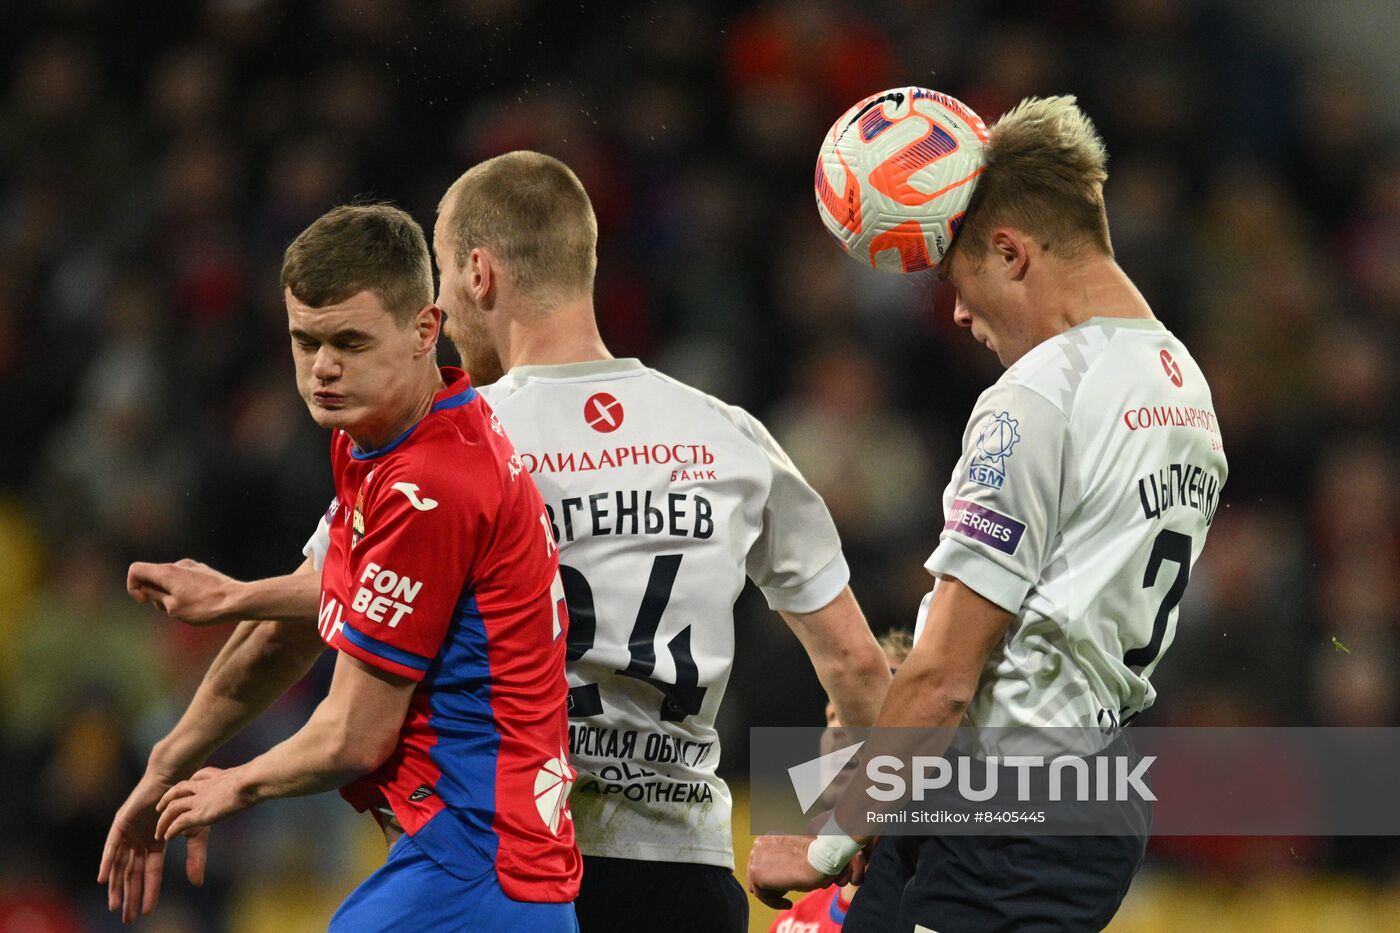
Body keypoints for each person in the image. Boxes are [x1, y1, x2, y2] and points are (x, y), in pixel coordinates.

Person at [109, 153, 890, 932]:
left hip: (513, 857)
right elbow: (856, 663)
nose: (440, 311)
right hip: (688, 878)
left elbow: (299, 624)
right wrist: (858, 831)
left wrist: (169, 761)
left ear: (478, 275)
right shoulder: (733, 437)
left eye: (442, 281)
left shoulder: (458, 441)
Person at [748, 95, 1229, 932]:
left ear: (1010, 253)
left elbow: (941, 677)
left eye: (958, 282)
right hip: (1085, 790)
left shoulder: (1038, 394)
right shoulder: (1182, 381)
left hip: (1011, 810)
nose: (960, 315)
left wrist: (827, 840)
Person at [102, 204, 581, 930]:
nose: (323, 368)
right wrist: (168, 758)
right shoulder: (386, 435)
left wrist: (231, 785)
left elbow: (354, 733)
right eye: (306, 341)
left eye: (349, 342)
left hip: (477, 869)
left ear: (426, 329)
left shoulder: (431, 485)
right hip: (479, 866)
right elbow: (301, 625)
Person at [769, 630, 912, 933]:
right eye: (833, 714)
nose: (838, 729)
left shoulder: (948, 902)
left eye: (860, 716)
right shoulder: (793, 922)